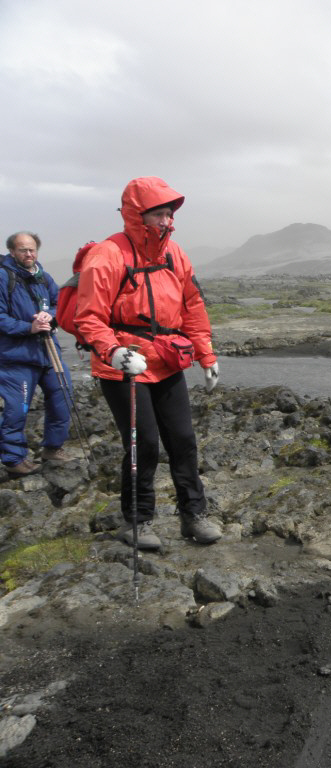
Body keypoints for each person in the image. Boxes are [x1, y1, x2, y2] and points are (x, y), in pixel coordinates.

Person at [75, 177, 222, 550]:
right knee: (144, 445)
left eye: (169, 214)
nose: (166, 221)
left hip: (166, 361)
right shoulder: (108, 254)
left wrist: (205, 354)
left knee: (184, 441)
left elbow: (192, 306)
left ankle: (194, 516)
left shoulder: (175, 254)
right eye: (158, 214)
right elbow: (88, 316)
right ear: (136, 214)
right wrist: (113, 352)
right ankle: (137, 522)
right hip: (123, 366)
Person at [0, 232, 71, 475]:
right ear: (12, 252)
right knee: (16, 408)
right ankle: (14, 459)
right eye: (23, 250)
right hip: (15, 356)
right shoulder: (3, 277)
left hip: (48, 352)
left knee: (63, 396)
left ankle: (53, 448)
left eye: (32, 249)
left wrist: (50, 315)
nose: (29, 254)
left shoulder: (43, 277)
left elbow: (61, 303)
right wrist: (28, 327)